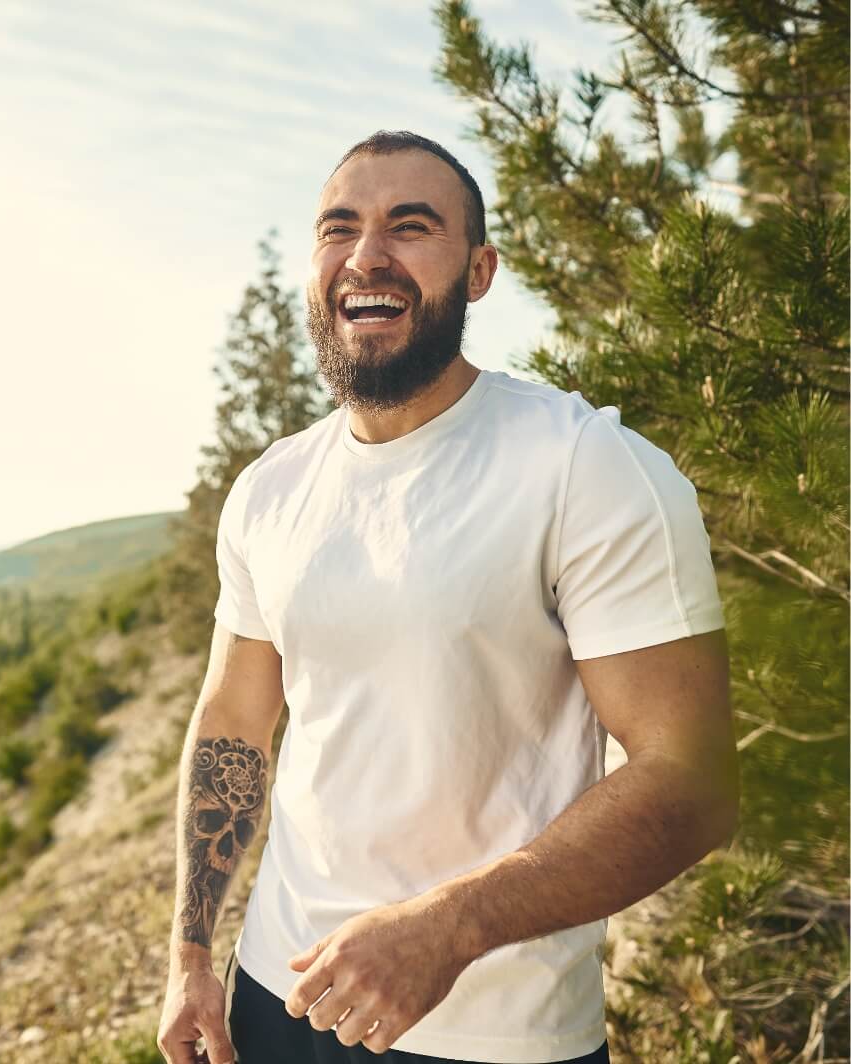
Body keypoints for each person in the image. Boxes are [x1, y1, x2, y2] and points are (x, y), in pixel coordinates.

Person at [156, 130, 739, 1064]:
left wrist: (449, 928)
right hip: (273, 994)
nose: (367, 255)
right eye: (338, 228)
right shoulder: (270, 488)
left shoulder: (584, 465)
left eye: (410, 226)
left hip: (491, 1032)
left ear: (479, 272)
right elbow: (234, 719)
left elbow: (693, 778)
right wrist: (191, 954)